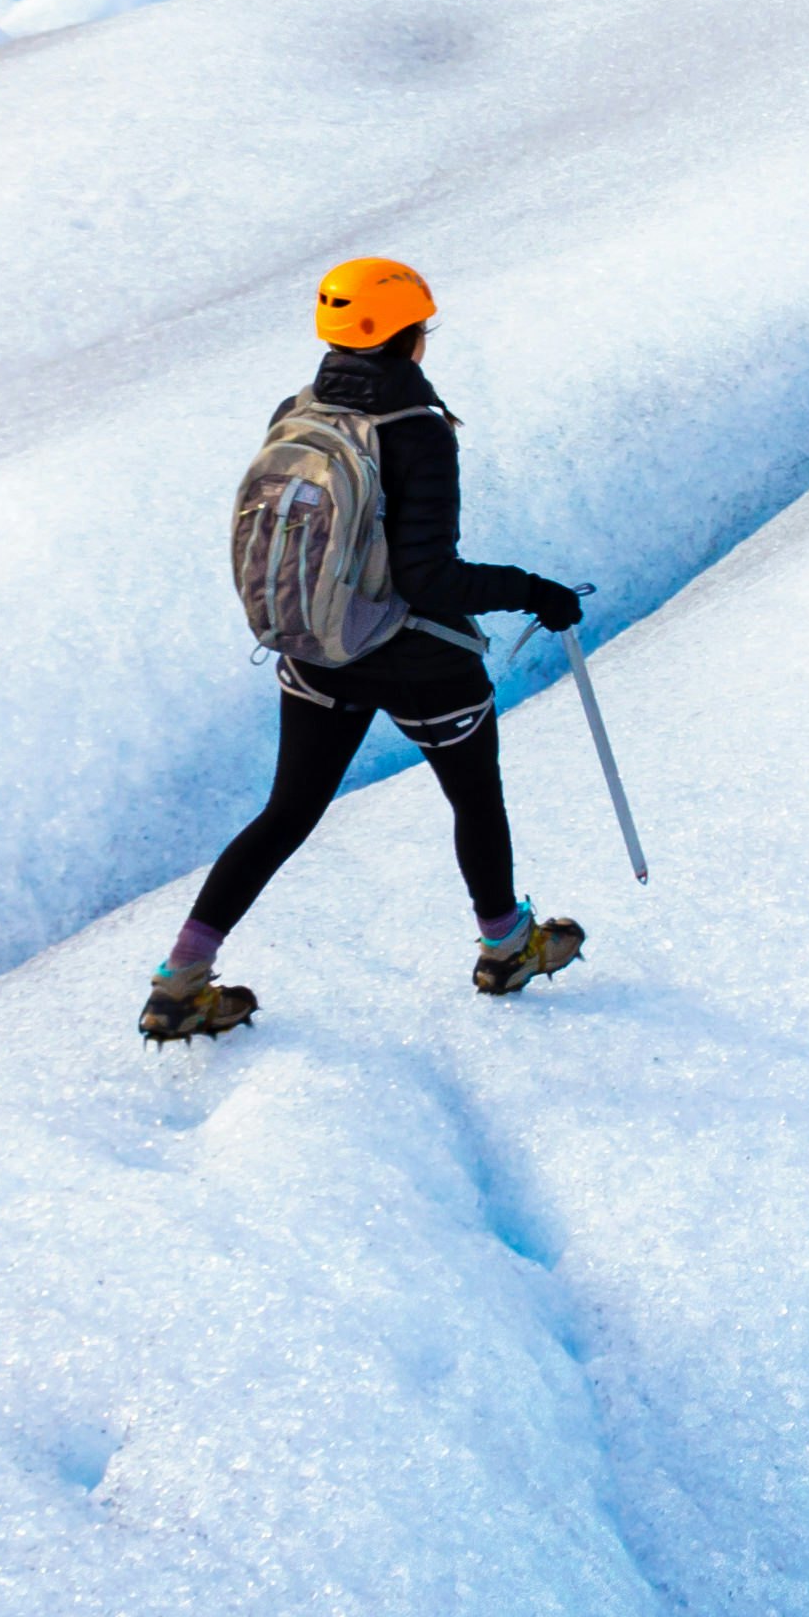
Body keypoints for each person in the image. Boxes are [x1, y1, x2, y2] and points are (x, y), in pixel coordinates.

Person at [145, 255, 586, 1042]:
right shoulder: (416, 432)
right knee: (474, 798)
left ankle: (179, 983)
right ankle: (508, 948)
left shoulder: (298, 409)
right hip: (416, 656)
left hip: (317, 648)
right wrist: (534, 590)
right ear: (407, 333)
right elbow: (429, 579)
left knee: (286, 812)